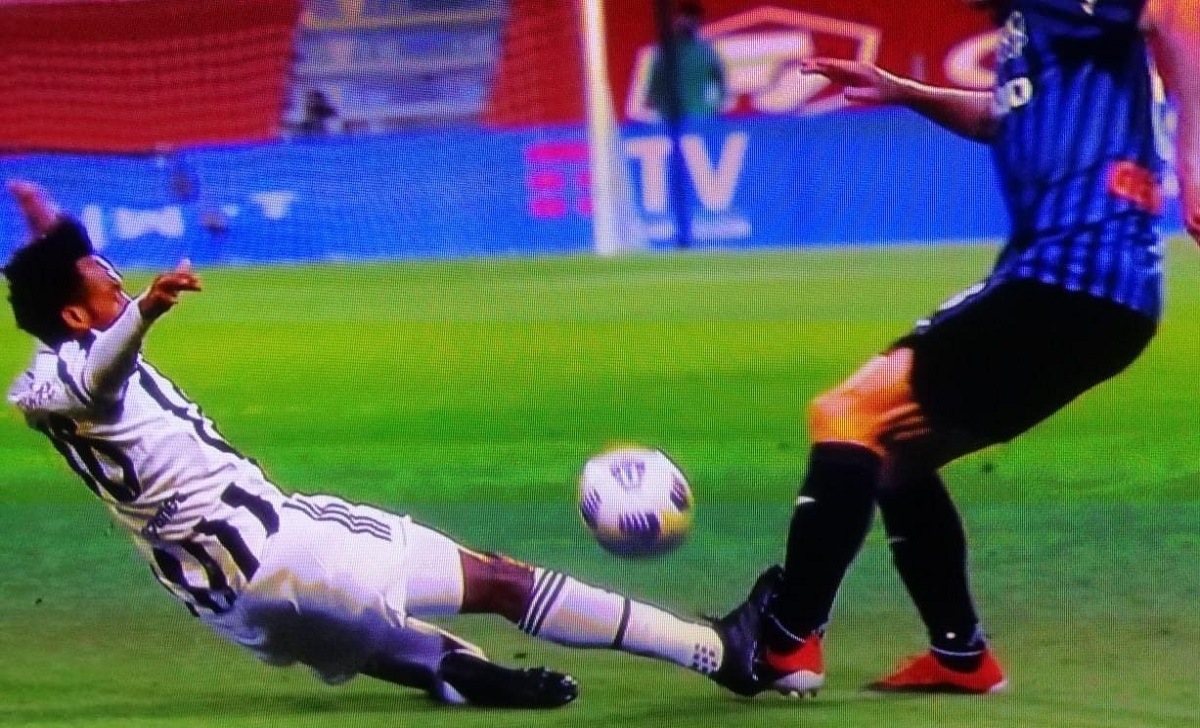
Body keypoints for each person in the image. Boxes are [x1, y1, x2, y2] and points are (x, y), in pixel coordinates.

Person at [1, 181, 777, 708]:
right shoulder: (87, 372)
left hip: (219, 601)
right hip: (276, 542)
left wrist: (45, 223)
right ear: (77, 316)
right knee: (500, 582)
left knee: (361, 631)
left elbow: (76, 328)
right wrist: (146, 312)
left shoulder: (35, 382)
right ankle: (716, 651)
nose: (119, 283)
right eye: (106, 282)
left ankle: (454, 674)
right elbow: (102, 374)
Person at [712, 0, 1200, 698]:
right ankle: (960, 654)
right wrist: (903, 91)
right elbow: (1001, 120)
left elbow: (1178, 12)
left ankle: (784, 639)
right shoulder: (1032, 31)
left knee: (848, 413)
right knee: (897, 455)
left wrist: (1193, 156)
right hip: (1100, 297)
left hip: (1070, 278)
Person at [646, 1, 727, 120]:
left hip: (698, 116)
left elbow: (721, 84)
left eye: (692, 19)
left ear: (698, 22)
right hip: (672, 118)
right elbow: (654, 86)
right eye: (685, 18)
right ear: (677, 20)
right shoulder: (666, 51)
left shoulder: (706, 52)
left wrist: (712, 108)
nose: (688, 22)